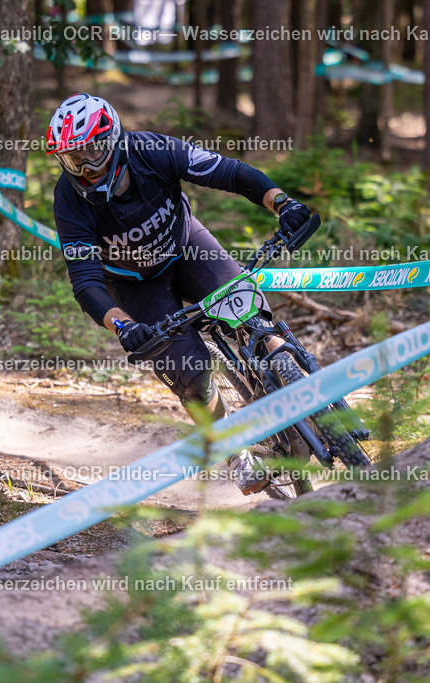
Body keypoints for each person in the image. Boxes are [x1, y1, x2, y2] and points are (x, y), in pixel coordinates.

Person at [47, 93, 312, 495]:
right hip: (136, 284)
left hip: (188, 247)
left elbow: (231, 173)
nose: (84, 168)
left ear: (114, 139)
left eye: (91, 152)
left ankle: (290, 376)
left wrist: (282, 203)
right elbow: (84, 281)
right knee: (193, 374)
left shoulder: (153, 150)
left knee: (247, 309)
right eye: (72, 159)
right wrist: (123, 325)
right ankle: (233, 449)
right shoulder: (69, 198)